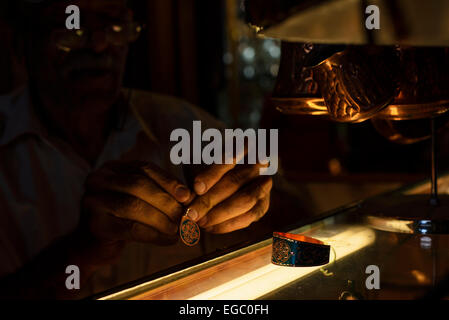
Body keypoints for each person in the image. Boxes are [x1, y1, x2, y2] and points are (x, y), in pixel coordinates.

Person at [0, 0, 273, 298]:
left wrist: (257, 200)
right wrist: (82, 250)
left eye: (114, 25)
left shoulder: (185, 125)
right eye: (70, 28)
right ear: (20, 44)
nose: (100, 45)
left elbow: (301, 223)